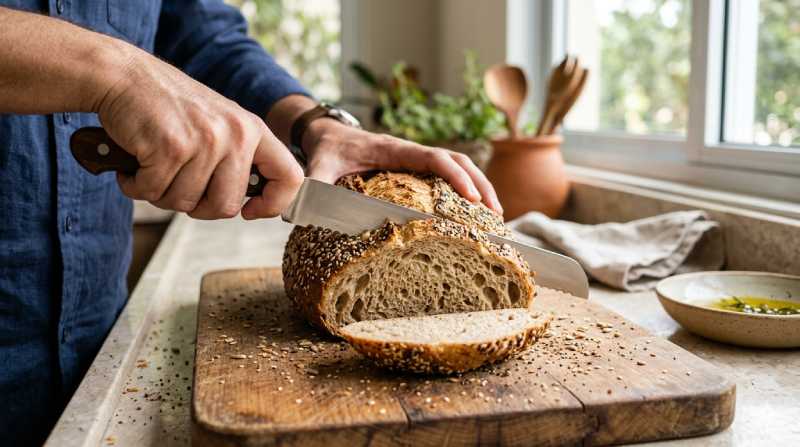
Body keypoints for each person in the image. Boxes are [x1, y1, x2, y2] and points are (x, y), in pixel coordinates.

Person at [0, 1, 502, 445]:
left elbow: (199, 34)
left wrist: (314, 125)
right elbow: (129, 70)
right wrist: (116, 71)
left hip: (101, 344)